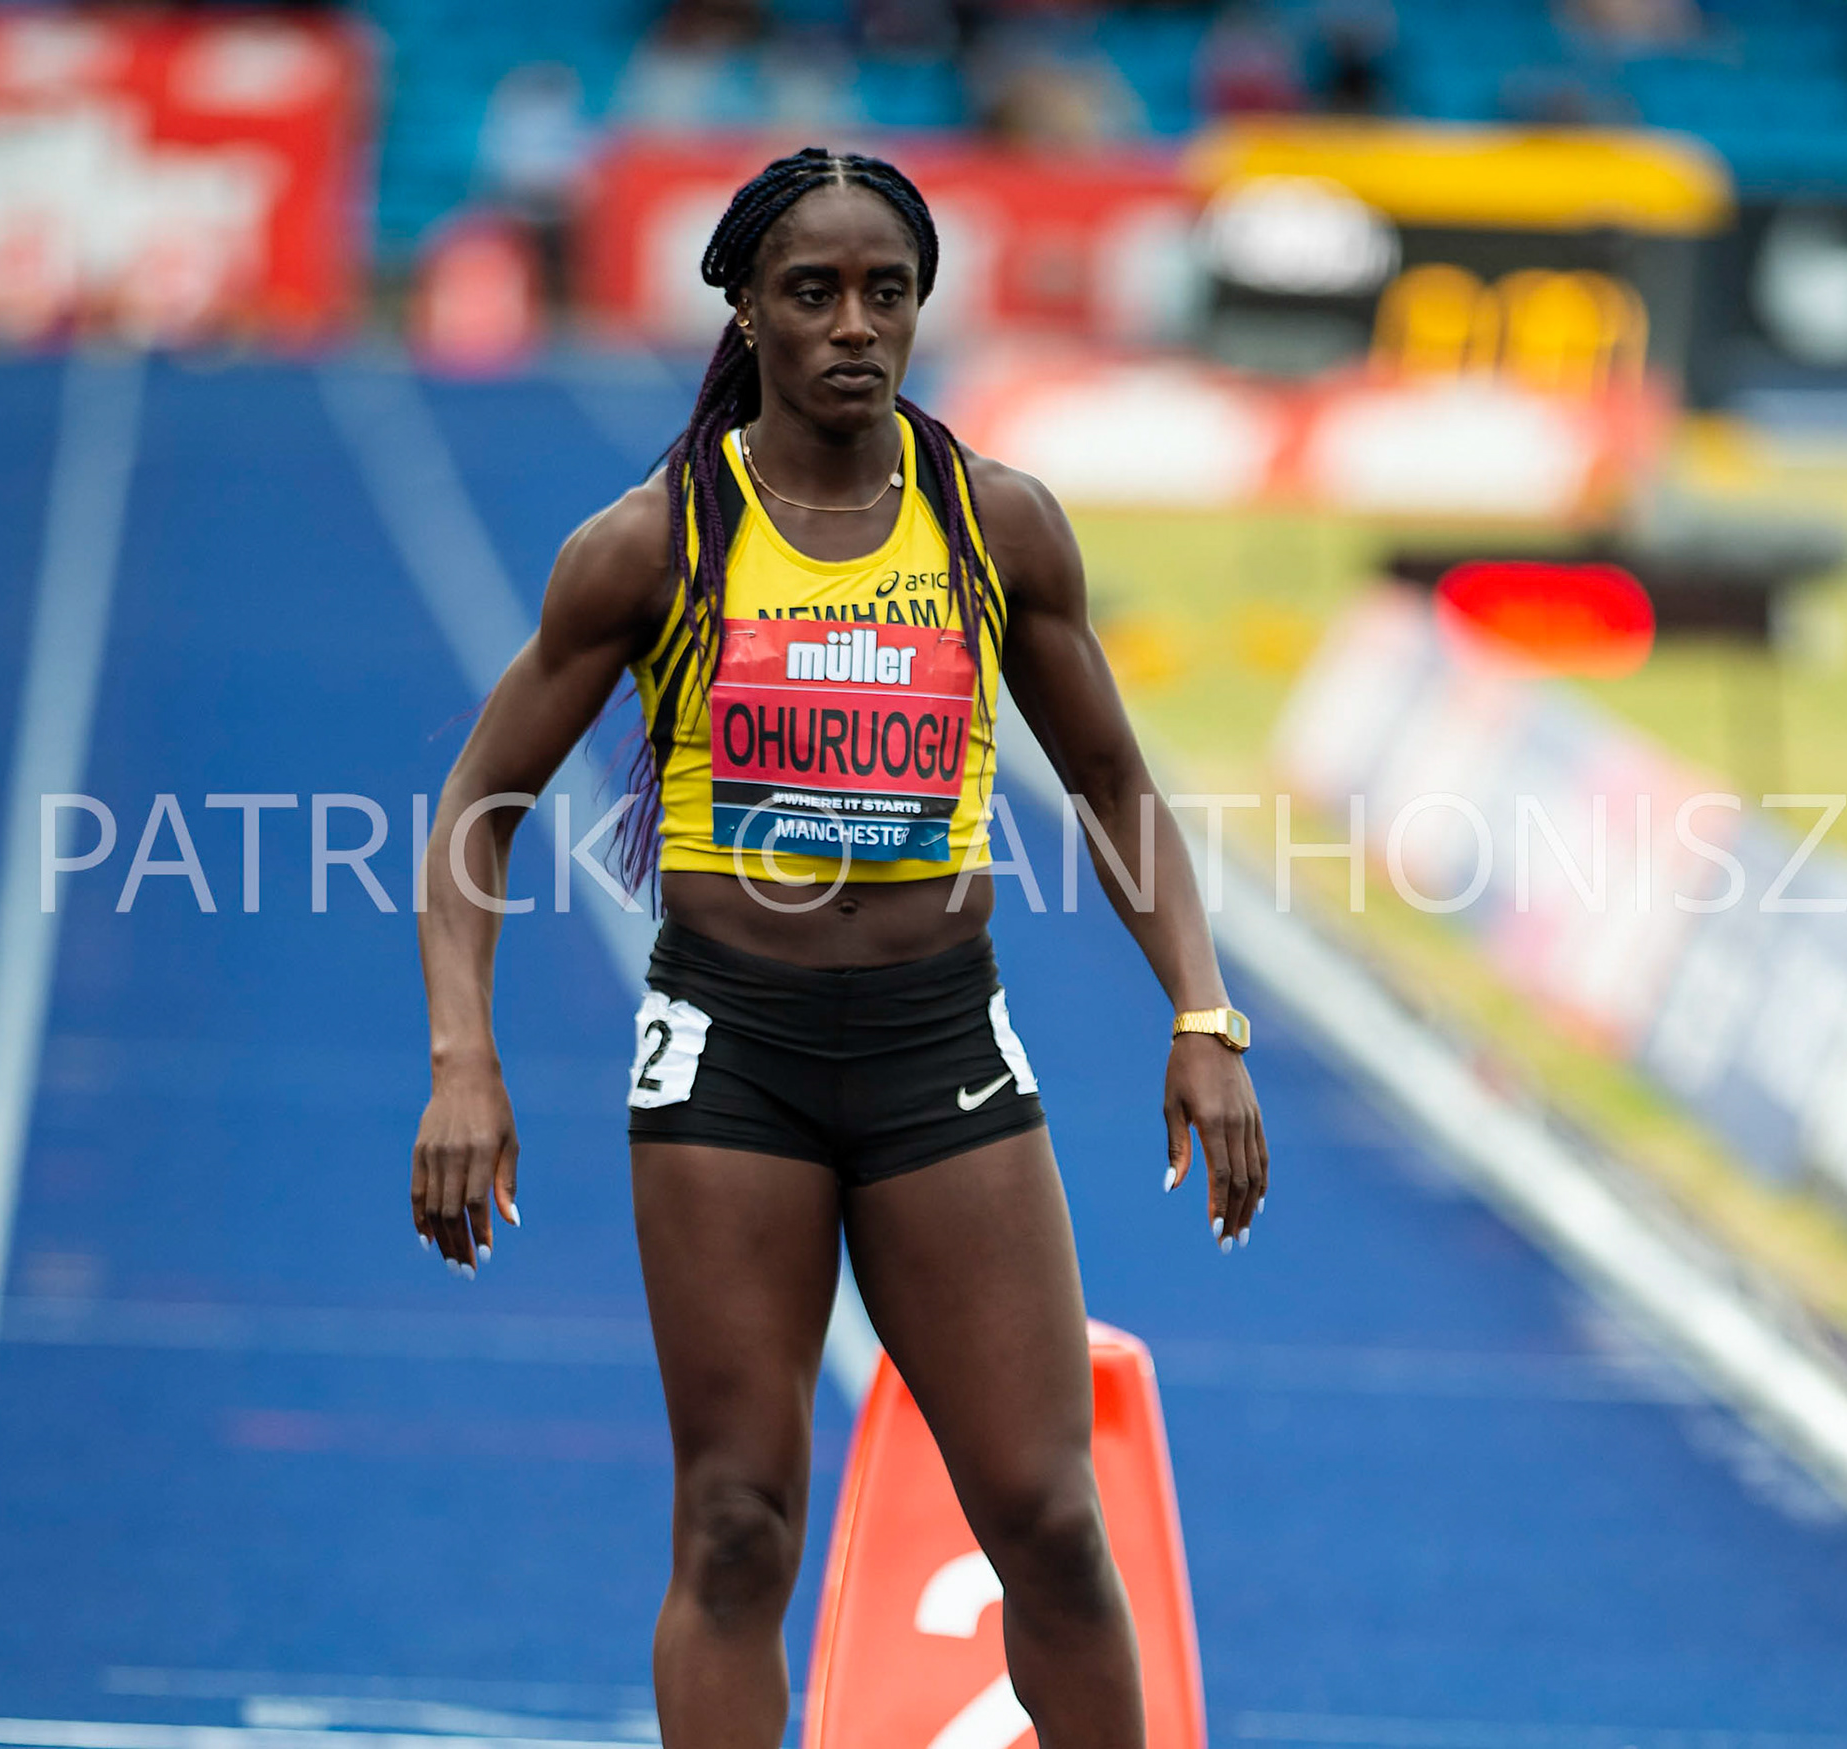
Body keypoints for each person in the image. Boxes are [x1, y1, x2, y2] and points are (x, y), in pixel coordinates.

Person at [410, 146, 1268, 1747]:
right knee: (736, 1525)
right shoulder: (654, 543)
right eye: (814, 292)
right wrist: (467, 1059)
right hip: (731, 1059)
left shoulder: (994, 526)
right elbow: (475, 809)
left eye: (889, 292)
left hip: (943, 1051)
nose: (855, 326)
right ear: (745, 307)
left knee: (1053, 1521)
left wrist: (1203, 1016)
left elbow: (1114, 785)